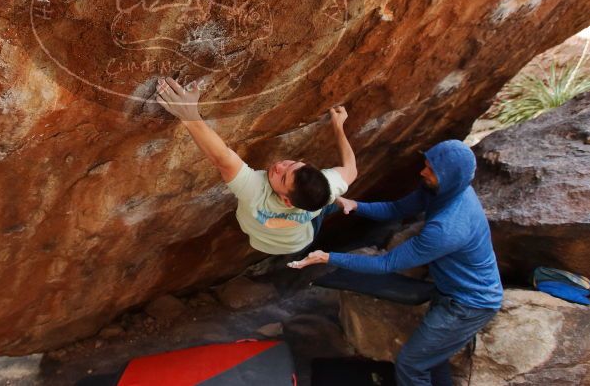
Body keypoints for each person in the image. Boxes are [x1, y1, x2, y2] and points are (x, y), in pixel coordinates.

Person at [290, 139, 503, 386]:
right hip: (451, 291)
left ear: (449, 178)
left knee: (411, 364)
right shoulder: (442, 189)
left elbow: (385, 265)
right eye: (426, 164)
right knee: (431, 359)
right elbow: (394, 209)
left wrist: (327, 257)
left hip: (468, 304)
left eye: (431, 170)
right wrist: (355, 205)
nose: (423, 172)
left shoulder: (448, 227)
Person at [155, 77, 357, 255]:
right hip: (302, 220)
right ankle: (337, 201)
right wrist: (338, 126)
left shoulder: (255, 194)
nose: (279, 167)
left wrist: (189, 115)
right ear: (306, 164)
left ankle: (336, 203)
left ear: (287, 201)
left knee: (320, 210)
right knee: (323, 201)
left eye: (282, 178)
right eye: (290, 165)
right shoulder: (326, 187)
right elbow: (351, 170)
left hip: (297, 241)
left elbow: (222, 158)